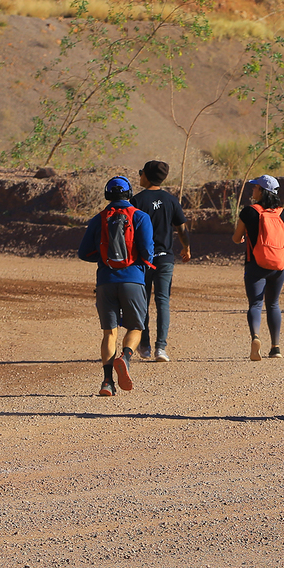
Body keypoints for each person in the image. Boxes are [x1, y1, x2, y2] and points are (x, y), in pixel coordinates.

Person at [78, 176, 155, 397]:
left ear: (107, 195)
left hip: (105, 281)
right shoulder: (140, 217)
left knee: (109, 333)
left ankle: (107, 382)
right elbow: (148, 252)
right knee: (136, 328)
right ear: (129, 194)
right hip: (133, 280)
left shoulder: (98, 219)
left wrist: (105, 259)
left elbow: (84, 253)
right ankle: (126, 357)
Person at [231, 175, 284, 361]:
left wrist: (242, 238)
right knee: (273, 304)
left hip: (255, 265)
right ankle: (276, 347)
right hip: (278, 267)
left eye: (255, 187)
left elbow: (236, 238)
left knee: (255, 304)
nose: (253, 190)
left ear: (262, 191)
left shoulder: (249, 212)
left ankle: (255, 337)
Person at [132, 160, 192, 362]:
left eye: (141, 172)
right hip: (165, 258)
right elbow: (182, 229)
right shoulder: (171, 200)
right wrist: (186, 247)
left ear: (146, 176)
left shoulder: (137, 201)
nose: (139, 175)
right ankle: (161, 348)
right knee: (162, 301)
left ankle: (145, 345)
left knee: (143, 302)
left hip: (143, 259)